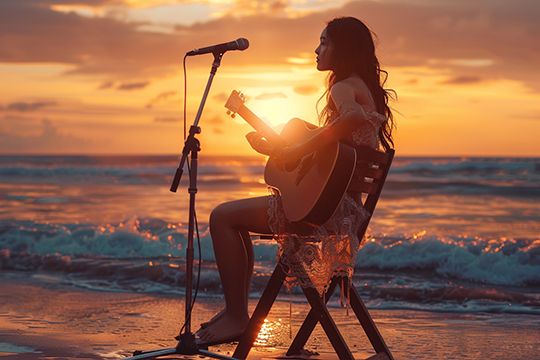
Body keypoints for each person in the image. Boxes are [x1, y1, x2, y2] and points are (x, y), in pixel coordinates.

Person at [196, 16, 395, 344]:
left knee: (222, 217)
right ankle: (236, 312)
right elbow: (326, 163)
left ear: (342, 49)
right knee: (234, 219)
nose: (316, 50)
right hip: (342, 213)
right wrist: (278, 148)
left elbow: (351, 119)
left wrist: (302, 145)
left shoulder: (343, 87)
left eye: (324, 43)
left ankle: (236, 315)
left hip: (325, 215)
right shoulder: (363, 87)